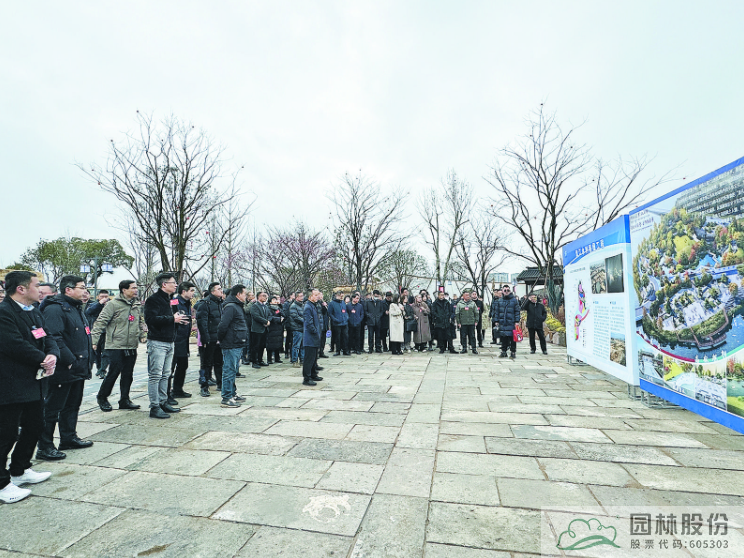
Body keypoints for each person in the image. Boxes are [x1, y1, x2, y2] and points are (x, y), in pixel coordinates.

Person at [0, 271, 57, 503]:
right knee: (6, 434)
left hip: (35, 381)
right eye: (36, 285)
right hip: (11, 383)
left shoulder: (33, 311)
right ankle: (2, 483)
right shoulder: (4, 313)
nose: (40, 289)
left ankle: (20, 469)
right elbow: (14, 344)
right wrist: (43, 359)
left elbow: (48, 336)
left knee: (35, 425)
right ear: (21, 289)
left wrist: (52, 354)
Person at [38, 275, 94, 460]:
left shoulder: (76, 307)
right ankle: (45, 446)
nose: (85, 291)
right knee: (52, 409)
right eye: (82, 287)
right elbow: (53, 337)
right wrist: (70, 360)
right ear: (68, 289)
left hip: (78, 367)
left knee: (72, 405)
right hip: (63, 367)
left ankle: (68, 438)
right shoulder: (55, 309)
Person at [93, 280, 146, 412]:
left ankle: (124, 400)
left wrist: (142, 334)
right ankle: (102, 397)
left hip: (131, 345)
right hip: (115, 345)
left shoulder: (136, 304)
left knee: (128, 374)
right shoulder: (113, 304)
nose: (136, 290)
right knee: (114, 372)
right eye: (133, 288)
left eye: (136, 288)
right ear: (124, 290)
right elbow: (100, 322)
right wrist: (94, 341)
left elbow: (139, 321)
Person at [144, 272, 186, 419]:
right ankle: (154, 406)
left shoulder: (171, 299)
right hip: (157, 341)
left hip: (170, 341)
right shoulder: (153, 300)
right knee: (155, 375)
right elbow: (150, 319)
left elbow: (173, 317)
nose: (176, 285)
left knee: (166, 374)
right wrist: (171, 319)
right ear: (164, 284)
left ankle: (163, 401)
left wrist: (179, 320)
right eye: (173, 282)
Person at [217, 284, 249, 407]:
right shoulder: (231, 307)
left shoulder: (237, 306)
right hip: (231, 343)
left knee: (233, 370)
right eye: (245, 294)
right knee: (229, 370)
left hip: (237, 342)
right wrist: (221, 339)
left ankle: (232, 393)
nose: (246, 296)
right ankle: (226, 397)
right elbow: (223, 325)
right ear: (238, 294)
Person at [196, 282, 223, 395]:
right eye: (219, 289)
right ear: (212, 291)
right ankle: (204, 386)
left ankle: (221, 384)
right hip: (209, 339)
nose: (221, 291)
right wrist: (205, 338)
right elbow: (202, 323)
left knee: (219, 363)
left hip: (219, 338)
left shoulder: (221, 303)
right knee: (206, 364)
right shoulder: (204, 303)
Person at [169, 282, 196, 400]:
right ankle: (167, 393)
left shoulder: (187, 303)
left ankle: (178, 389)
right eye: (191, 290)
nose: (193, 293)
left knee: (183, 365)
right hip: (175, 339)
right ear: (184, 291)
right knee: (170, 367)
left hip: (184, 339)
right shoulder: (175, 302)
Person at [85, 290, 110, 379]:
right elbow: (89, 312)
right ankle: (99, 368)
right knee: (96, 352)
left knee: (106, 352)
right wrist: (100, 304)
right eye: (102, 296)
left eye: (106, 297)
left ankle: (103, 370)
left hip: (107, 332)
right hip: (96, 332)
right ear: (98, 297)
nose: (104, 298)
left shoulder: (111, 305)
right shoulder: (94, 305)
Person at [301, 289, 324, 386]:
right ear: (310, 296)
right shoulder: (308, 307)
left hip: (315, 336)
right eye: (315, 295)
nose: (317, 296)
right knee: (309, 358)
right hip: (310, 337)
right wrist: (315, 331)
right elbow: (309, 323)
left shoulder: (314, 305)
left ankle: (313, 374)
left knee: (314, 357)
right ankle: (307, 378)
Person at [493, 284, 521, 359]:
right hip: (502, 322)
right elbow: (497, 312)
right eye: (505, 290)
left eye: (508, 290)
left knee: (512, 338)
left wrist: (517, 321)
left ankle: (513, 352)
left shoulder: (514, 300)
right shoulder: (499, 301)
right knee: (503, 338)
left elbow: (517, 311)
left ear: (510, 291)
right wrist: (496, 320)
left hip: (511, 322)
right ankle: (503, 351)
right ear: (502, 291)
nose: (506, 291)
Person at [249, 291, 271, 369]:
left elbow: (269, 315)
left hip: (264, 329)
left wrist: (268, 321)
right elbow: (256, 316)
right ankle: (254, 362)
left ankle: (260, 360)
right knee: (255, 346)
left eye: (265, 296)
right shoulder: (255, 306)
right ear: (259, 297)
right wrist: (265, 321)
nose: (265, 297)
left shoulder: (266, 306)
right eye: (263, 296)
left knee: (262, 346)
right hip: (257, 329)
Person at [455, 291, 478, 355]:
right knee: (463, 336)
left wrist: (476, 321)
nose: (468, 296)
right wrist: (458, 322)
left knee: (472, 336)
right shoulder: (459, 304)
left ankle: (474, 348)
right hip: (463, 323)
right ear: (463, 296)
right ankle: (464, 348)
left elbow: (476, 313)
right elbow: (457, 313)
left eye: (468, 295)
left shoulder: (473, 303)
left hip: (471, 322)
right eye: (466, 295)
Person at [328, 291, 349, 356]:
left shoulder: (343, 302)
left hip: (344, 322)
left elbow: (345, 311)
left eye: (342, 296)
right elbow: (330, 313)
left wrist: (346, 317)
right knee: (338, 337)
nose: (342, 297)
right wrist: (335, 319)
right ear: (337, 296)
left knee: (345, 337)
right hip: (337, 323)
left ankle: (345, 350)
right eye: (341, 296)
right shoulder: (332, 303)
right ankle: (338, 350)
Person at [266, 295, 285, 364]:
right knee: (270, 344)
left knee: (278, 343)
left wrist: (280, 306)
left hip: (278, 328)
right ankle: (269, 358)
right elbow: (270, 317)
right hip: (272, 328)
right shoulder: (268, 308)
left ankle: (277, 358)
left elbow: (284, 314)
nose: (275, 301)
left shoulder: (278, 308)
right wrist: (279, 319)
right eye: (273, 300)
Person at [289, 291, 305, 367]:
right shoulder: (293, 306)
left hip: (303, 328)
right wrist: (305, 321)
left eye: (302, 296)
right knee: (296, 346)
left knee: (302, 345)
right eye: (300, 296)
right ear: (296, 297)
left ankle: (302, 360)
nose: (302, 297)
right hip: (297, 328)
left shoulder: (303, 305)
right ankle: (294, 360)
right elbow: (295, 317)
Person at [241, 291, 256, 365]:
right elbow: (246, 310)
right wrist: (251, 303)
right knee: (246, 342)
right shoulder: (244, 303)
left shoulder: (255, 303)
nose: (253, 297)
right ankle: (244, 357)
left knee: (251, 342)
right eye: (251, 295)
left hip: (252, 324)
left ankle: (250, 357)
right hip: (246, 324)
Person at [282, 292, 295, 360]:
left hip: (294, 323)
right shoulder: (286, 303)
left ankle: (291, 352)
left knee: (293, 339)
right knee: (288, 338)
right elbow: (286, 313)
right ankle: (287, 352)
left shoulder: (294, 303)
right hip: (289, 323)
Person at [317, 292, 330, 358]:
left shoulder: (323, 303)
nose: (321, 296)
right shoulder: (317, 304)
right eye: (320, 295)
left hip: (324, 323)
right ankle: (318, 352)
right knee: (319, 339)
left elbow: (326, 313)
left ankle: (322, 351)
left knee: (323, 339)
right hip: (320, 324)